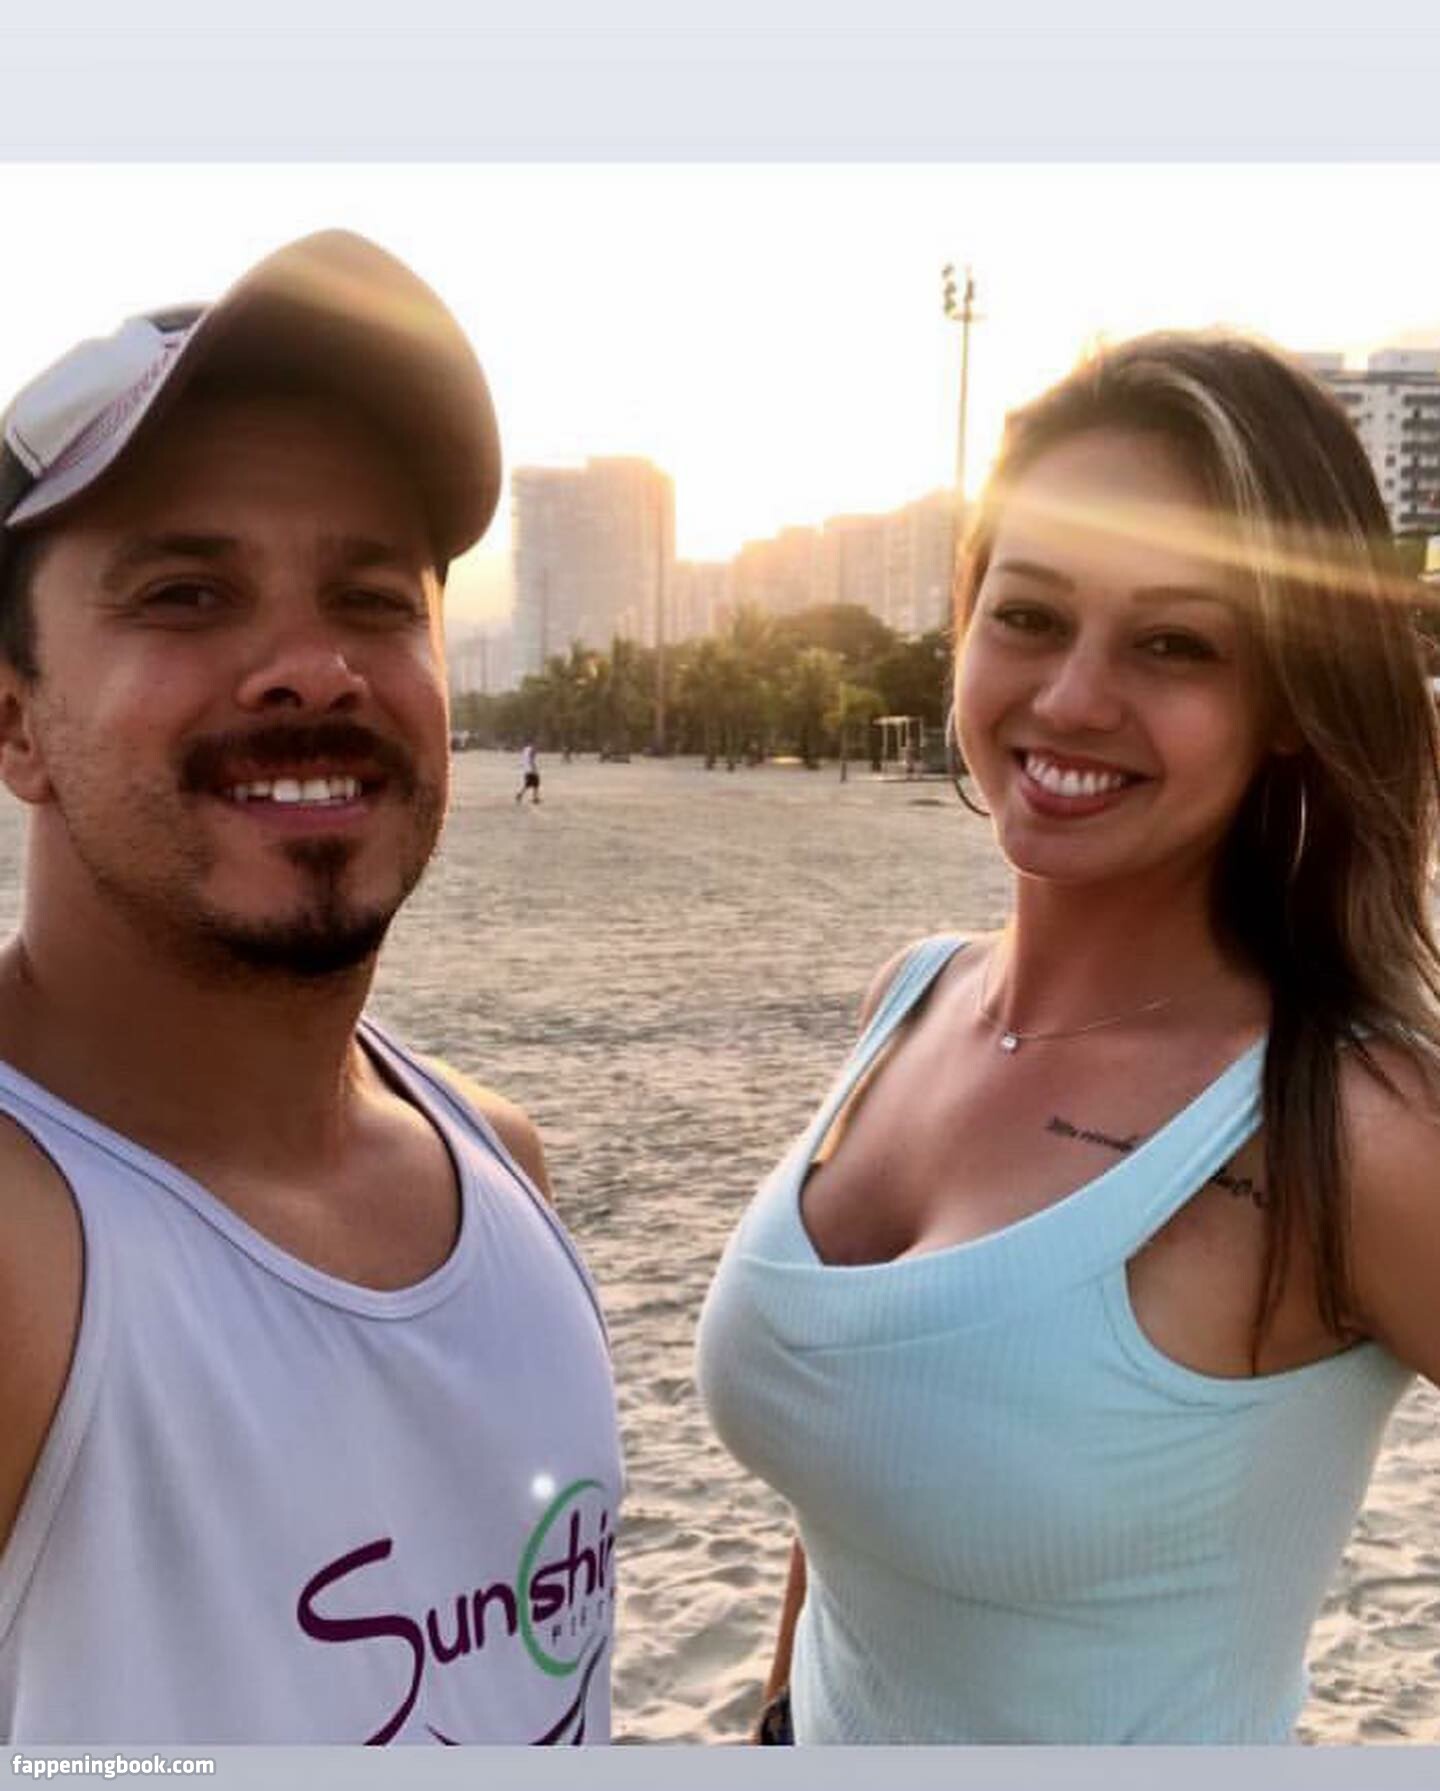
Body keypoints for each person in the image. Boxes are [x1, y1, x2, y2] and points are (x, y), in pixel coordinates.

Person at [696, 331, 1440, 1744]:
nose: (1073, 697)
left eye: (1175, 643)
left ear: (1290, 699)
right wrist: (780, 1713)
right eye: (1030, 615)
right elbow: (855, 1461)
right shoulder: (911, 999)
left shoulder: (1343, 1129)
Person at [0, 232, 622, 1746]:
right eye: (187, 592)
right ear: (14, 723)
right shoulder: (27, 1273)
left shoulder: (501, 1167)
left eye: (374, 597)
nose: (314, 667)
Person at [516, 740, 541, 804]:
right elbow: (531, 759)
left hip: (526, 770)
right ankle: (535, 798)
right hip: (531, 770)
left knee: (528, 784)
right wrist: (534, 768)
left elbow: (523, 759)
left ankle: (520, 794)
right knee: (536, 784)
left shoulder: (525, 749)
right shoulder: (532, 750)